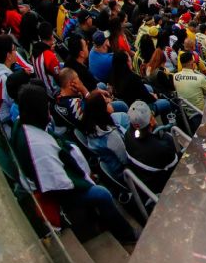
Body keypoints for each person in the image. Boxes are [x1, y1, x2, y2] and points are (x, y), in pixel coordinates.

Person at [11, 84, 138, 243]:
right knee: (102, 194)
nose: (48, 110)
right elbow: (59, 183)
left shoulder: (23, 122)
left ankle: (99, 218)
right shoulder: (37, 146)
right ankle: (127, 235)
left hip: (68, 174)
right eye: (45, 107)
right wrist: (85, 180)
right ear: (37, 110)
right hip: (61, 191)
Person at [123, 101, 180, 194]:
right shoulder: (162, 147)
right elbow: (176, 168)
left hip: (145, 180)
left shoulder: (128, 135)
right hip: (164, 186)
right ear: (151, 120)